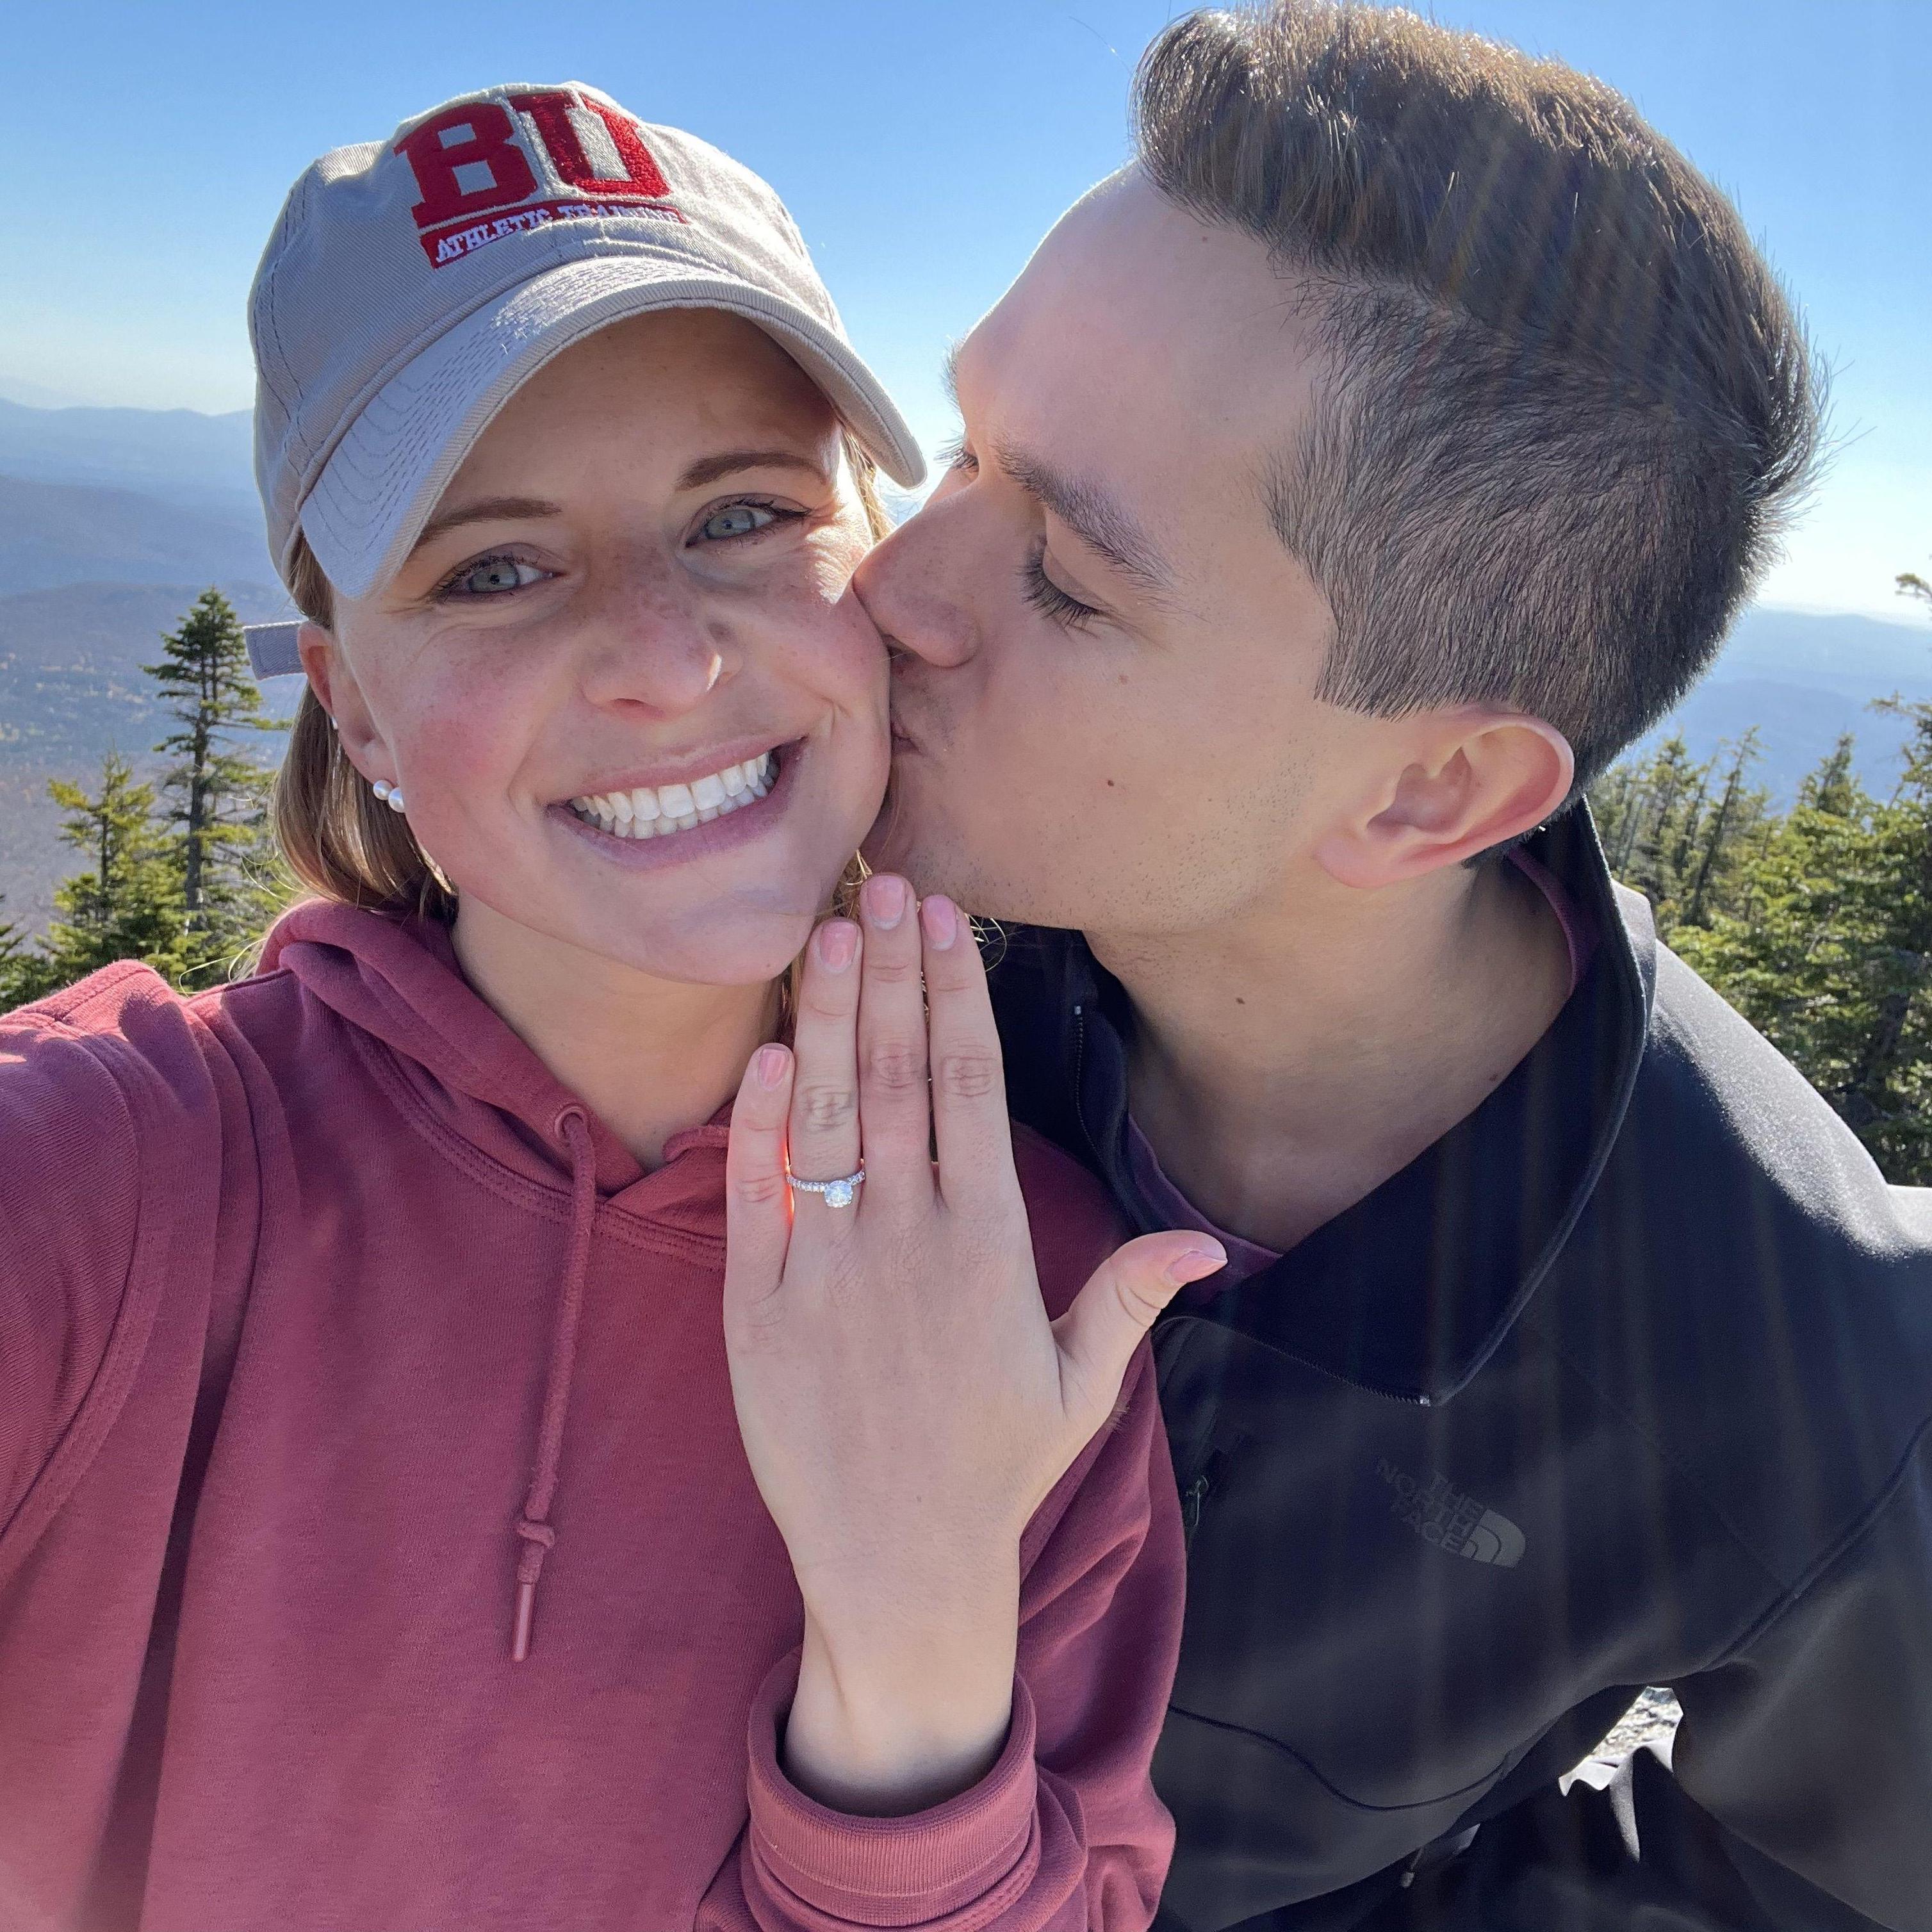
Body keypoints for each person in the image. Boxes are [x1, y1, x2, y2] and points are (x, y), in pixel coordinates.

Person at [0, 85, 1220, 1932]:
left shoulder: (1025, 1293)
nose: (666, 656)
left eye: (740, 514)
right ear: (360, 707)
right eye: (499, 567)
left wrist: (910, 1635)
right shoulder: (109, 1177)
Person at [856, 8, 1932, 1929]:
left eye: (1070, 583)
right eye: (961, 447)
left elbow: (1818, 1883)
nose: (889, 592)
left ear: (1433, 788)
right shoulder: (837, 923)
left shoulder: (1784, 1352)